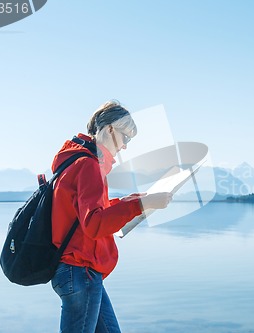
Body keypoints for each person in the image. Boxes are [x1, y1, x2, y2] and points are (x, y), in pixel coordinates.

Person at [50, 100, 172, 333]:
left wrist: (131, 202)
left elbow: (87, 212)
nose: (125, 146)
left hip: (76, 271)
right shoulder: (89, 166)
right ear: (110, 130)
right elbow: (94, 224)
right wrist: (140, 204)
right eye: (126, 137)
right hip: (80, 270)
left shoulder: (75, 161)